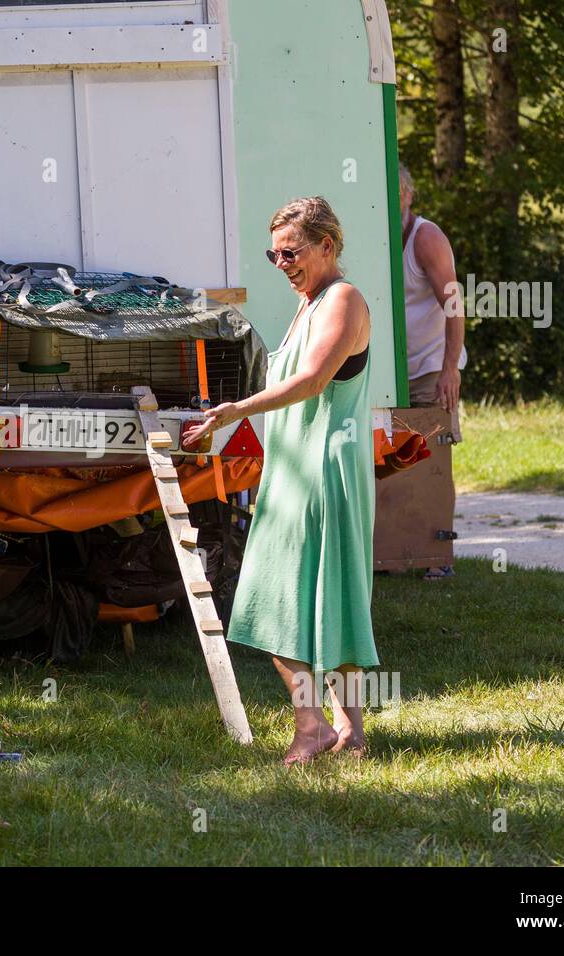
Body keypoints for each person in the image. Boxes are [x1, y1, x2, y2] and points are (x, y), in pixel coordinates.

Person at [184, 197, 377, 766]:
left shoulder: (342, 299)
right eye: (274, 254)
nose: (282, 263)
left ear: (327, 246)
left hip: (322, 472)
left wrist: (235, 409)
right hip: (297, 469)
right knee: (304, 598)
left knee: (284, 599)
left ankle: (312, 725)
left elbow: (315, 380)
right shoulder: (308, 305)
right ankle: (347, 732)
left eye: (291, 252)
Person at [399, 164, 466, 580]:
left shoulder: (426, 237)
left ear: (407, 196)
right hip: (394, 368)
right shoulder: (379, 237)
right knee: (395, 458)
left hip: (430, 366)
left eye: (395, 193)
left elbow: (454, 303)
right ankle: (399, 549)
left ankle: (438, 556)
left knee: (433, 458)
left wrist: (449, 370)